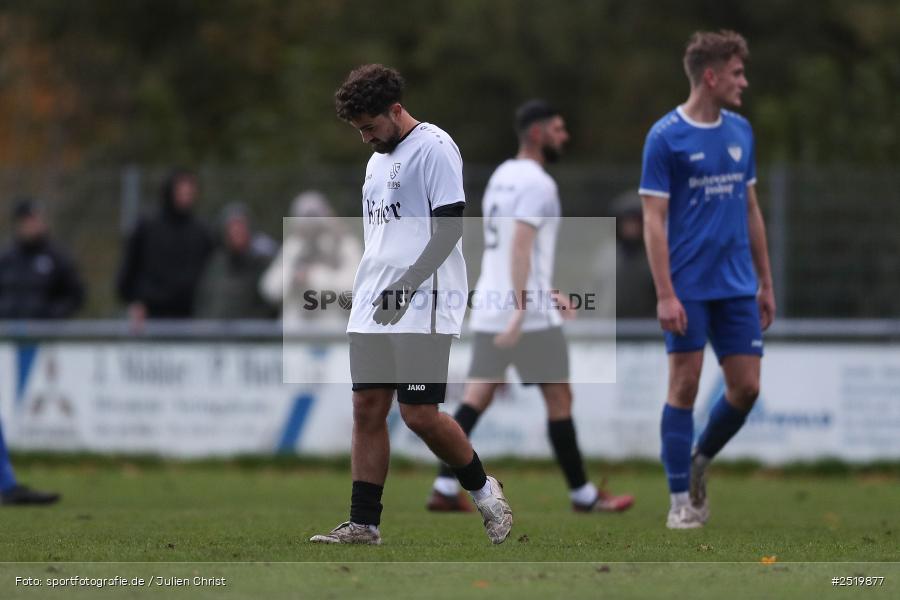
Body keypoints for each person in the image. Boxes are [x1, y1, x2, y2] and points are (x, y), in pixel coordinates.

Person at [309, 64, 512, 546]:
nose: (365, 138)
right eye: (358, 130)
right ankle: (364, 524)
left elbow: (449, 231)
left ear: (396, 110)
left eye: (370, 127)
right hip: (374, 301)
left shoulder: (435, 147)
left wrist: (407, 287)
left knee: (418, 415)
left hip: (424, 300)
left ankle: (484, 490)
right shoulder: (375, 160)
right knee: (366, 409)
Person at [426, 100, 634, 514]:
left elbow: (511, 252)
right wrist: (523, 308)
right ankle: (582, 495)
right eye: (558, 128)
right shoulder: (539, 184)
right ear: (537, 133)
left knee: (476, 397)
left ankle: (445, 488)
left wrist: (544, 287)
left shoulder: (503, 175)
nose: (564, 136)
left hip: (492, 301)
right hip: (527, 313)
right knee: (560, 400)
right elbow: (521, 244)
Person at [638, 30, 776, 529]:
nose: (745, 81)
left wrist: (766, 282)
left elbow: (752, 209)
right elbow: (653, 219)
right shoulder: (665, 136)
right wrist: (665, 293)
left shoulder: (741, 130)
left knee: (746, 389)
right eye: (737, 73)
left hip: (738, 284)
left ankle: (699, 458)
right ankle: (681, 501)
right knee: (685, 386)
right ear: (712, 76)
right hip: (688, 286)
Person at [116, 168, 213, 330]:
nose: (186, 196)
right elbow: (129, 267)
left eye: (190, 192)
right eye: (182, 191)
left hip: (189, 314)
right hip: (151, 313)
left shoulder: (200, 231)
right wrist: (134, 301)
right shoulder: (147, 226)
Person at [259, 191, 361, 327]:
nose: (310, 222)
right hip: (296, 333)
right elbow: (269, 288)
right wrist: (293, 278)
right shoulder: (293, 246)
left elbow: (357, 287)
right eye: (304, 217)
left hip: (334, 332)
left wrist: (313, 277)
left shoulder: (344, 245)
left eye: (313, 216)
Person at [0, 199, 84, 319]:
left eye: (36, 219)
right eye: (28, 220)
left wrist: (53, 316)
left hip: (44, 333)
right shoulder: (6, 258)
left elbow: (75, 294)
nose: (33, 225)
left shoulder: (57, 257)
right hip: (8, 332)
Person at [194, 203, 273, 319]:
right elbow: (204, 301)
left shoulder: (260, 264)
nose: (237, 232)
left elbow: (268, 304)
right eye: (232, 228)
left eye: (241, 227)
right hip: (214, 334)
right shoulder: (215, 264)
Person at [593, 192, 657, 319]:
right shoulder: (608, 256)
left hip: (648, 327)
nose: (630, 228)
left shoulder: (655, 256)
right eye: (626, 223)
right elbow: (599, 292)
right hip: (615, 324)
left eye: (635, 222)